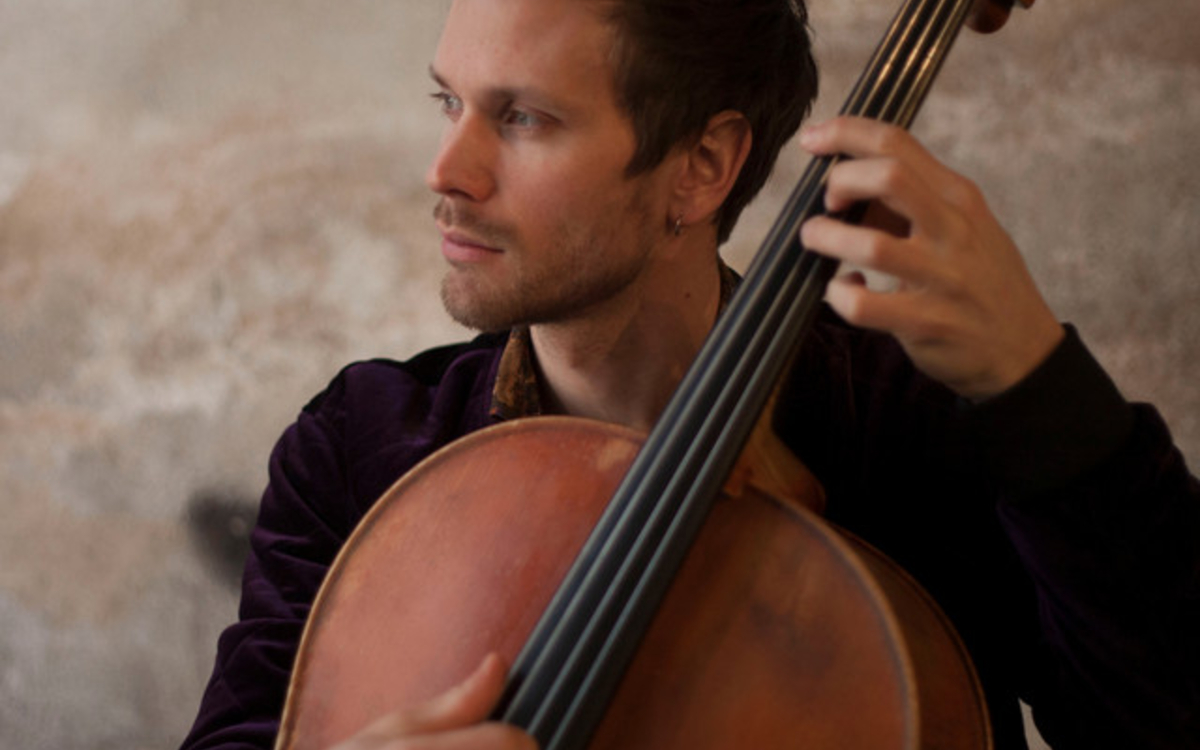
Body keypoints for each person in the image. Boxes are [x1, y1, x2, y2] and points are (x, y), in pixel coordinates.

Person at [179, 0, 1200, 748]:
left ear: (702, 167)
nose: (447, 170)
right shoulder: (361, 446)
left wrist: (1042, 390)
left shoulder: (912, 426)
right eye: (448, 102)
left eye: (523, 117)